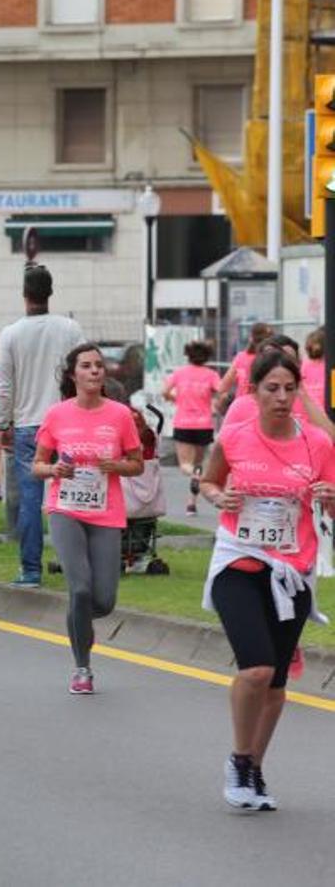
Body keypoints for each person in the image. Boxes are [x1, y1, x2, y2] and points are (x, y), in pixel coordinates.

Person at [198, 349, 335, 810]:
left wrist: (329, 496)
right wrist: (220, 496)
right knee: (255, 669)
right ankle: (239, 759)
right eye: (271, 388)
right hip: (237, 561)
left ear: (299, 393)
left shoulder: (319, 444)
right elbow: (209, 482)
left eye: (289, 388)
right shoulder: (234, 437)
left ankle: (255, 767)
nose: (281, 397)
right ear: (253, 392)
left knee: (275, 683)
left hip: (293, 571)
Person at [33, 343, 144, 694]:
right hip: (65, 508)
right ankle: (82, 668)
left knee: (104, 600)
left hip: (105, 512)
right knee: (79, 588)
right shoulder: (57, 415)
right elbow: (37, 466)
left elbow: (137, 462)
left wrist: (117, 466)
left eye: (99, 366)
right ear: (73, 374)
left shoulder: (120, 415)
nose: (95, 371)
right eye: (87, 366)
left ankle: (79, 622)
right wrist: (54, 468)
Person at [0, 264, 85, 587]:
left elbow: (4, 384)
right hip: (68, 420)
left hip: (28, 424)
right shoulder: (70, 329)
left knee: (30, 499)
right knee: (73, 493)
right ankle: (74, 563)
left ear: (24, 295)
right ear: (50, 293)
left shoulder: (11, 333)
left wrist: (3, 421)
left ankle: (30, 569)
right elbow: (84, 370)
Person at [162, 340, 221, 516]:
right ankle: (191, 504)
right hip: (204, 424)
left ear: (188, 355)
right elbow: (221, 391)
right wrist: (214, 404)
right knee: (197, 465)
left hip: (184, 422)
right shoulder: (211, 374)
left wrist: (176, 399)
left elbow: (164, 391)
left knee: (186, 466)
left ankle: (200, 481)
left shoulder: (180, 374)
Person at [217, 322, 274, 412]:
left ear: (251, 338)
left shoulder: (241, 357)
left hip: (241, 409)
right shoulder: (274, 358)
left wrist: (229, 397)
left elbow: (223, 387)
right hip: (266, 410)